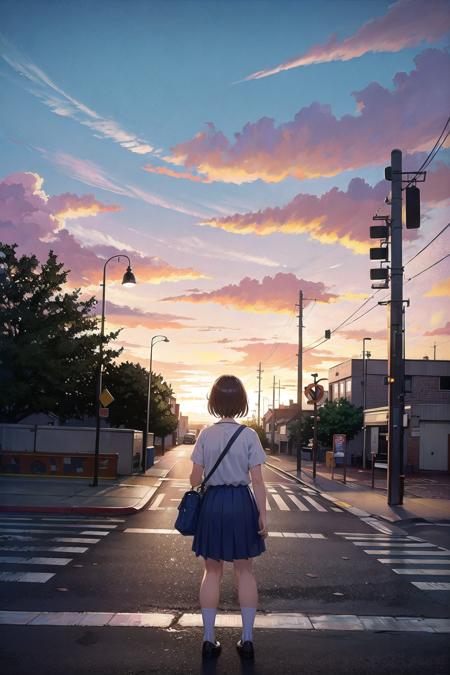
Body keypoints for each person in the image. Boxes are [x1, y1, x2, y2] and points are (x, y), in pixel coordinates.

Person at [189, 374, 268, 661]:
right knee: (245, 571)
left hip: (212, 503)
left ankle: (209, 640)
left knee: (212, 571)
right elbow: (257, 480)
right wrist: (262, 515)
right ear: (241, 402)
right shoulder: (249, 436)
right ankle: (247, 640)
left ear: (214, 401)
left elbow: (194, 479)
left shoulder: (205, 435)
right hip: (241, 503)